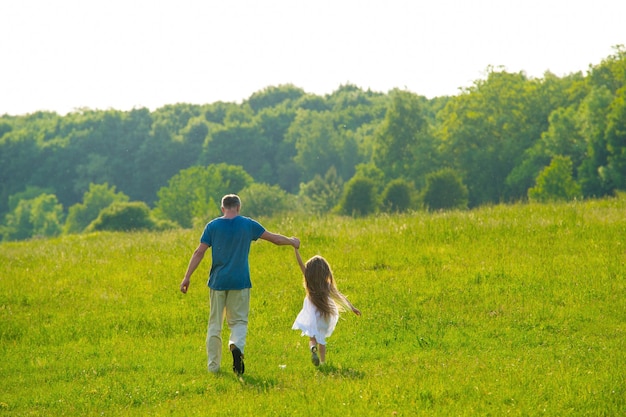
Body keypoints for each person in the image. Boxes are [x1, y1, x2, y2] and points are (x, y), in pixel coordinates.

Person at [180, 194, 300, 375]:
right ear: (239, 207)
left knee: (215, 325)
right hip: (240, 281)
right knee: (239, 321)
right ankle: (236, 345)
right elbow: (275, 239)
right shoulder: (248, 224)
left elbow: (199, 252)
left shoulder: (212, 226)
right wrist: (292, 241)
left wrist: (187, 277)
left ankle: (213, 368)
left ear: (223, 208)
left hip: (218, 282)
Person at [291, 248, 361, 366]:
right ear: (325, 271)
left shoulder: (309, 280)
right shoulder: (327, 285)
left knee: (312, 338)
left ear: (310, 271)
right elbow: (340, 296)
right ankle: (323, 363)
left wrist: (296, 250)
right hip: (324, 316)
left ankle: (313, 348)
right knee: (322, 340)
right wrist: (352, 308)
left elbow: (300, 264)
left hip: (312, 316)